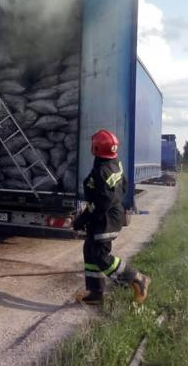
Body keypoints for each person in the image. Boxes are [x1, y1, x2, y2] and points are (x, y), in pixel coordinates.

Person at [73, 129, 150, 305]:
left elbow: (100, 204)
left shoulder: (102, 171)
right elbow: (124, 185)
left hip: (106, 219)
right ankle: (95, 293)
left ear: (96, 148)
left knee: (101, 256)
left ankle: (137, 278)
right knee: (90, 250)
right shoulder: (114, 163)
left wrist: (81, 220)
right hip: (110, 213)